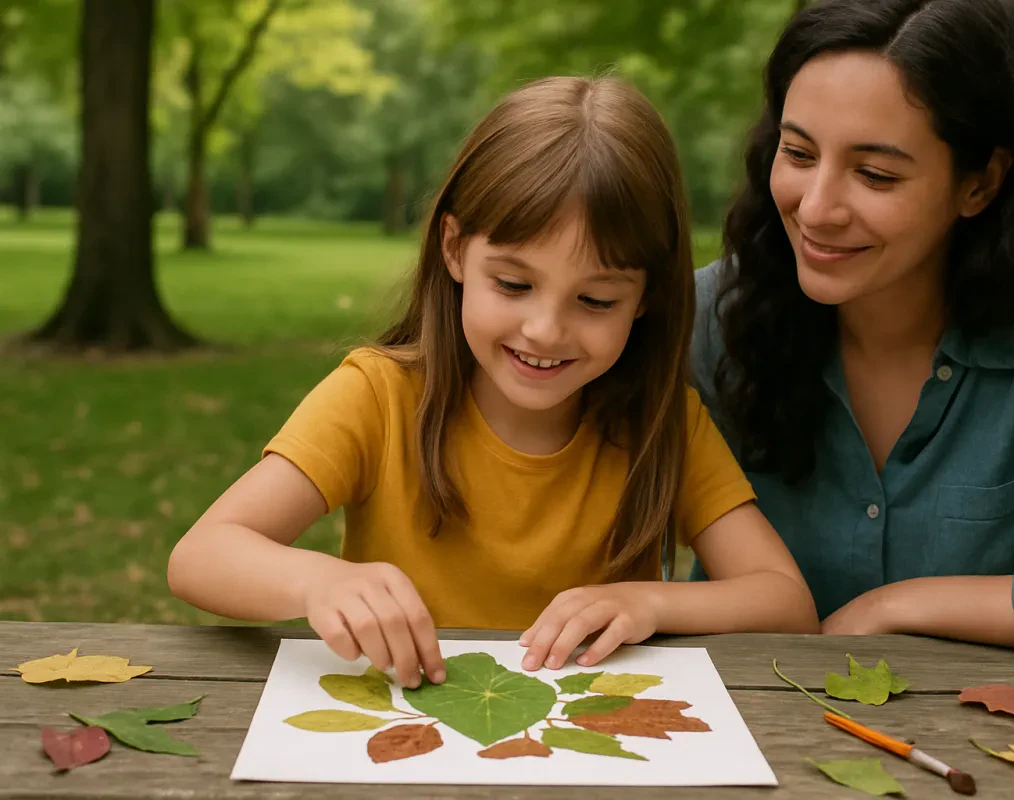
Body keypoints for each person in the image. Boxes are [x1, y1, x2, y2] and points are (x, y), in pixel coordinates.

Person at [167, 76, 819, 689]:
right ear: (454, 249)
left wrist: (647, 601)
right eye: (513, 284)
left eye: (595, 301)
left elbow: (786, 603)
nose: (544, 330)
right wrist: (316, 583)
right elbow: (202, 556)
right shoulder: (377, 397)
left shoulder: (662, 422)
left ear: (646, 297)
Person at [689, 0, 1014, 671]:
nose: (816, 209)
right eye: (799, 152)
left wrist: (895, 606)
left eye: (875, 174)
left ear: (981, 183)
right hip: (736, 736)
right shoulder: (707, 315)